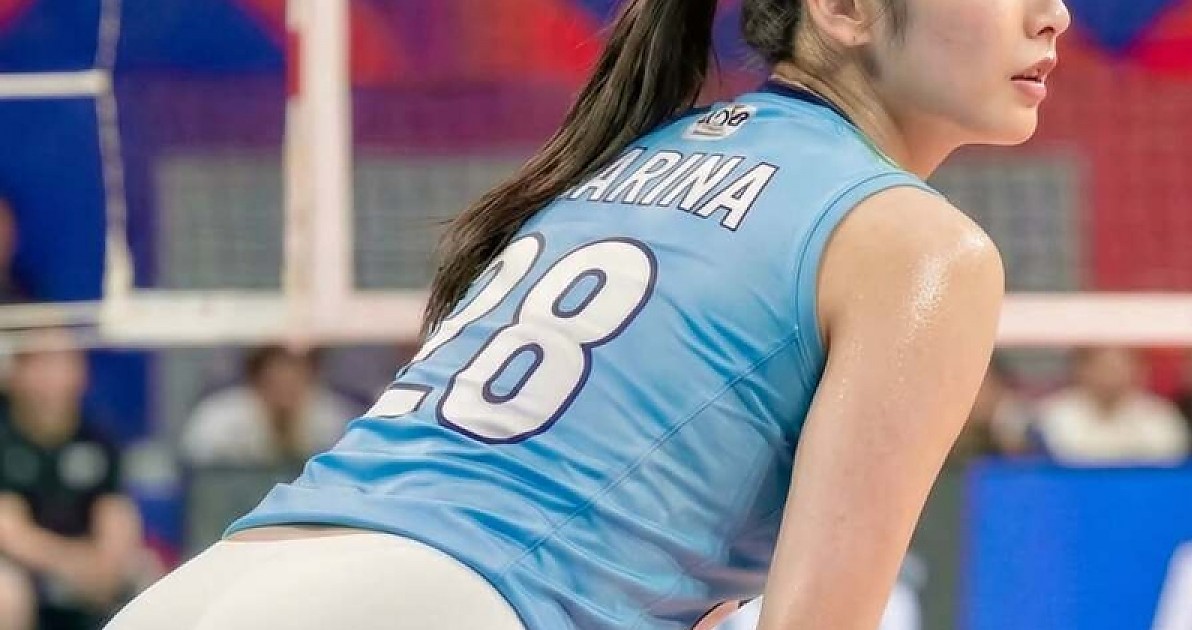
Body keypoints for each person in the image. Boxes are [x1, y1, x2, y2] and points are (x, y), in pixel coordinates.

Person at [106, 0, 1067, 628]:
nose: (1054, 15)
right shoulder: (922, 246)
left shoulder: (628, 161)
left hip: (205, 588)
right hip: (442, 601)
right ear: (845, 8)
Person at [0, 328, 143, 630]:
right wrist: (70, 564)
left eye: (67, 360)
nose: (56, 375)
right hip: (22, 566)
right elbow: (9, 531)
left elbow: (116, 513)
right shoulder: (5, 438)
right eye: (43, 362)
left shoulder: (98, 438)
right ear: (15, 373)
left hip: (85, 558)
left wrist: (107, 563)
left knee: (149, 577)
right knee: (6, 595)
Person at [178, 344, 357, 468]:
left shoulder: (335, 420)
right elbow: (195, 479)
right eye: (276, 377)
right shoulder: (216, 421)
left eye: (296, 375)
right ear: (256, 376)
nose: (286, 385)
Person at [1036, 346, 1188, 465]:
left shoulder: (1160, 415)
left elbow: (1168, 465)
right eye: (1102, 366)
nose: (1110, 374)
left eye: (1119, 365)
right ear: (1081, 369)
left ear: (1137, 369)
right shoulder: (1052, 413)